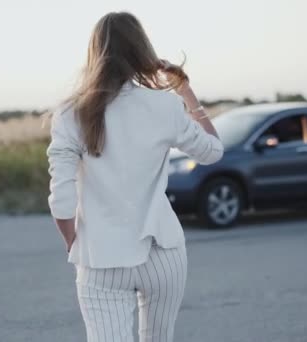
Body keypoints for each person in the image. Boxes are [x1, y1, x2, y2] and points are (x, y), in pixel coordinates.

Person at [46, 11, 224, 342]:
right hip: (164, 254)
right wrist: (186, 91)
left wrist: (77, 246)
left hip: (101, 261)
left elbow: (62, 201)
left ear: (94, 53)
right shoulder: (165, 107)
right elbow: (212, 151)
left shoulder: (71, 114)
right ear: (142, 51)